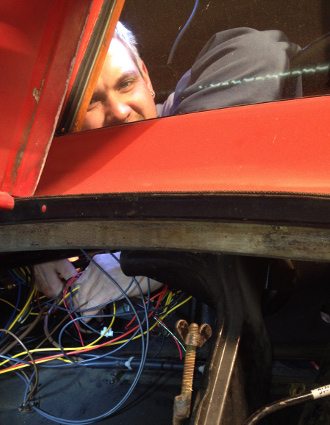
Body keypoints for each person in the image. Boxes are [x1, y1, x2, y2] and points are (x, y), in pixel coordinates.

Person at [34, 22, 301, 316]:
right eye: (92, 102)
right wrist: (36, 247)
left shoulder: (185, 108)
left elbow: (260, 51)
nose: (119, 111)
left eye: (126, 84)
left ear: (146, 78)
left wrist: (151, 259)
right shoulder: (65, 191)